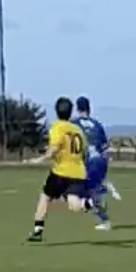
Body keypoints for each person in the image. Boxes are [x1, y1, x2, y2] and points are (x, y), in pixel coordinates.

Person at [27, 97, 90, 242]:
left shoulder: (57, 127)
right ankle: (88, 204)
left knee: (45, 197)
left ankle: (38, 230)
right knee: (74, 203)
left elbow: (54, 149)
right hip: (78, 172)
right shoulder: (78, 130)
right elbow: (84, 152)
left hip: (61, 172)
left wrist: (39, 159)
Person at [74, 96, 122, 230]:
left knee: (83, 194)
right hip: (99, 161)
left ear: (77, 108)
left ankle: (104, 217)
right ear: (89, 108)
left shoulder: (74, 124)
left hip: (86, 162)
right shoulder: (97, 125)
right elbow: (105, 148)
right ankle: (104, 188)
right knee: (89, 193)